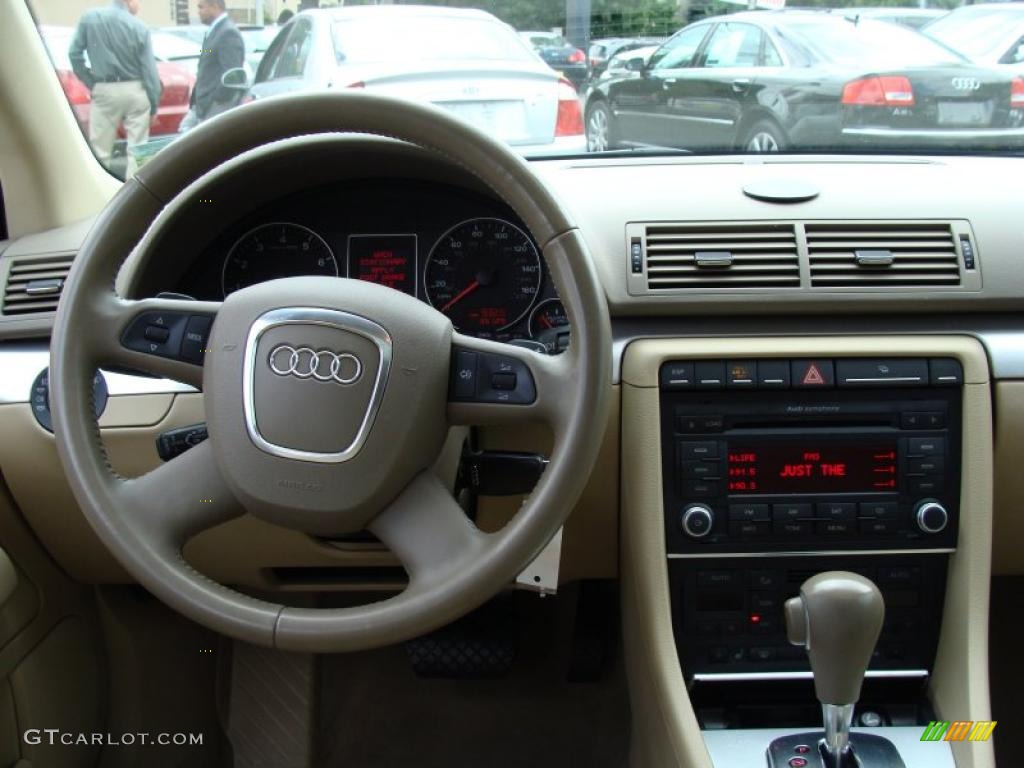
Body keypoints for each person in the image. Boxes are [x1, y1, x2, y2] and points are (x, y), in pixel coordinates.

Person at [68, 0, 161, 176]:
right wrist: (154, 104)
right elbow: (149, 71)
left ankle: (100, 192)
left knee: (100, 150)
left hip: (105, 88)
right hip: (135, 89)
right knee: (138, 150)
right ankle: (135, 194)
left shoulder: (90, 18)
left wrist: (91, 81)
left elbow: (74, 54)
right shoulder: (139, 27)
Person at [188, 0, 245, 127]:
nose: (198, 12)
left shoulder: (228, 33)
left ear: (214, 6)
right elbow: (207, 63)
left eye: (201, 7)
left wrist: (215, 101)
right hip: (202, 107)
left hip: (215, 109)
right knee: (184, 131)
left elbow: (233, 75)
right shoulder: (213, 32)